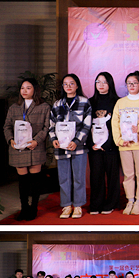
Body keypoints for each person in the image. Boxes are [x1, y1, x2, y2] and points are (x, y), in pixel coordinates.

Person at [3, 78, 51, 221]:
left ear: (35, 90)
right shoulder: (14, 107)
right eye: (22, 88)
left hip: (35, 147)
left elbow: (47, 127)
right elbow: (6, 126)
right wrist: (10, 139)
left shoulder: (44, 107)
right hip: (18, 148)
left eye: (28, 88)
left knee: (35, 181)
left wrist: (37, 140)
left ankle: (34, 208)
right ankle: (24, 208)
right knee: (23, 181)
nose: (24, 91)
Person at [49, 73, 92, 219]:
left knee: (79, 177)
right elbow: (51, 124)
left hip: (78, 147)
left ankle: (78, 206)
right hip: (61, 147)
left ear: (77, 85)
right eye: (65, 84)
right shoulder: (57, 104)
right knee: (63, 178)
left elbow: (87, 125)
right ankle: (66, 206)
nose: (68, 86)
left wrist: (76, 141)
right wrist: (53, 139)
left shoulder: (84, 102)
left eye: (71, 83)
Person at [111, 70, 139, 215]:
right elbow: (115, 123)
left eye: (135, 83)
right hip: (124, 145)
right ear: (126, 85)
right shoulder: (120, 102)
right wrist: (119, 140)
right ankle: (130, 200)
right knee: (128, 174)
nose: (132, 86)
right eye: (129, 83)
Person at [88, 71, 120, 214]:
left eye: (104, 82)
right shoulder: (89, 102)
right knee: (96, 176)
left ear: (110, 84)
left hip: (111, 146)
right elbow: (85, 125)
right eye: (98, 82)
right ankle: (96, 204)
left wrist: (109, 143)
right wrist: (91, 144)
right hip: (94, 146)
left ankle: (111, 203)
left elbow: (118, 125)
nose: (101, 85)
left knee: (113, 177)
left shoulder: (117, 102)